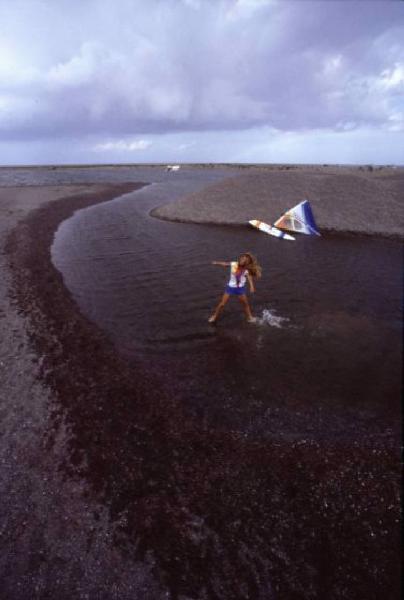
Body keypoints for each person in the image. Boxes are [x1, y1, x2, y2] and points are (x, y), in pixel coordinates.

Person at [208, 252, 262, 324]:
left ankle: (250, 317)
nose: (242, 260)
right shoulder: (234, 264)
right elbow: (225, 264)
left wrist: (252, 286)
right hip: (231, 287)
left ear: (246, 262)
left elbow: (249, 277)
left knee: (245, 304)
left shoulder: (246, 269)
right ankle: (214, 316)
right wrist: (216, 263)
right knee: (222, 304)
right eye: (241, 258)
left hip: (240, 288)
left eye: (244, 260)